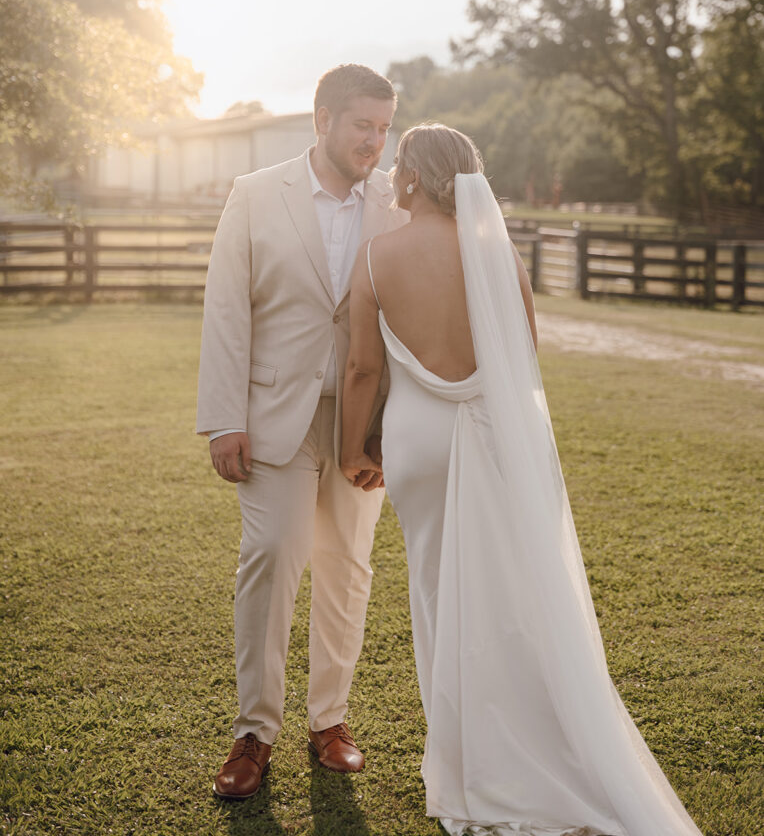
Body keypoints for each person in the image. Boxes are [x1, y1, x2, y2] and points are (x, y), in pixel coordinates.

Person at [341, 124, 704, 836]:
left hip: (418, 443)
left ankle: (467, 762)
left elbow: (362, 369)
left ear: (415, 178)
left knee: (439, 595)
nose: (389, 177)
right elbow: (524, 362)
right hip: (499, 436)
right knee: (511, 594)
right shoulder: (497, 254)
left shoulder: (378, 257)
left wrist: (356, 446)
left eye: (398, 167)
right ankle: (528, 749)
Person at [196, 64, 407, 800]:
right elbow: (226, 309)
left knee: (348, 568)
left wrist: (390, 426)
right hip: (270, 417)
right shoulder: (256, 195)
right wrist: (224, 418)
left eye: (384, 129)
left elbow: (405, 313)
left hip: (360, 423)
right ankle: (254, 731)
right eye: (362, 127)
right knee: (272, 557)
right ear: (323, 120)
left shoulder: (396, 202)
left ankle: (331, 722)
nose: (375, 144)